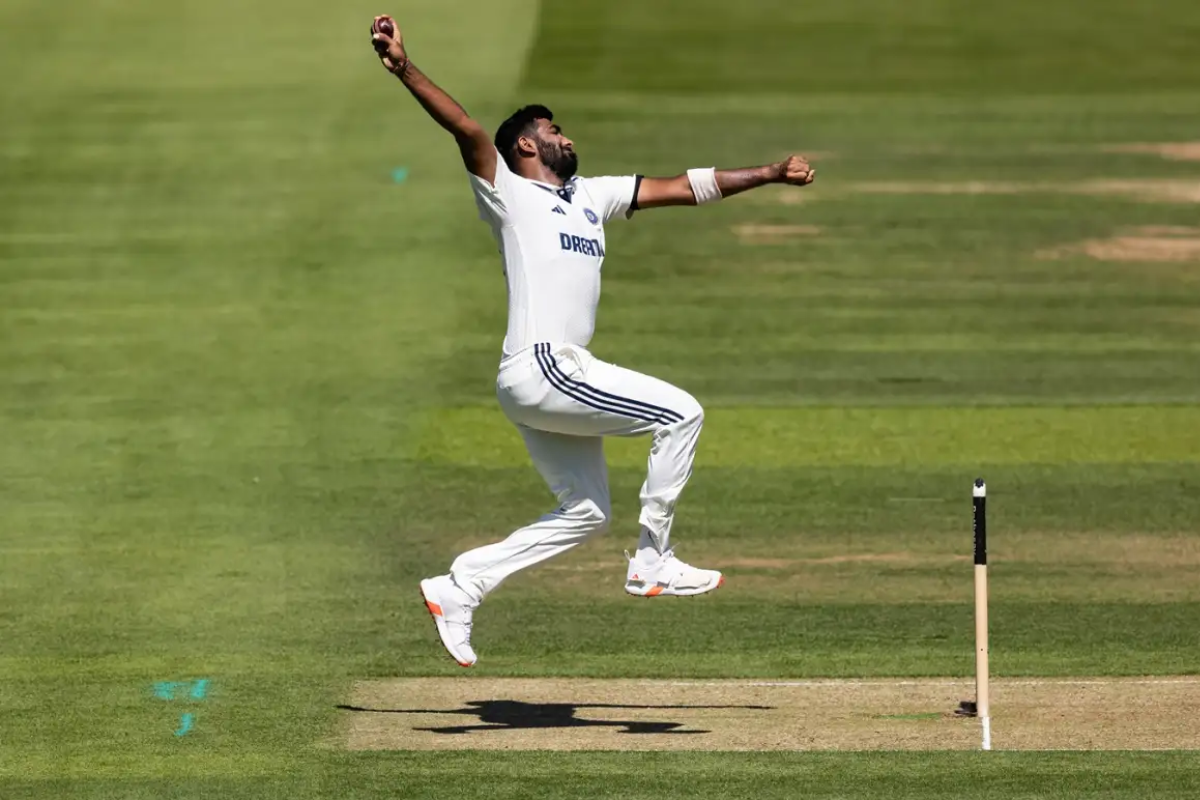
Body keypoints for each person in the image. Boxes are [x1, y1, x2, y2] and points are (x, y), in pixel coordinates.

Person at [370, 16, 815, 667]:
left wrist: (770, 173)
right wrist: (404, 67)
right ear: (526, 145)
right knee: (682, 413)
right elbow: (466, 128)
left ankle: (461, 585)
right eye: (554, 130)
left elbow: (685, 187)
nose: (567, 136)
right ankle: (653, 560)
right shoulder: (507, 193)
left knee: (586, 512)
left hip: (544, 380)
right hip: (544, 366)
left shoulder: (591, 197)